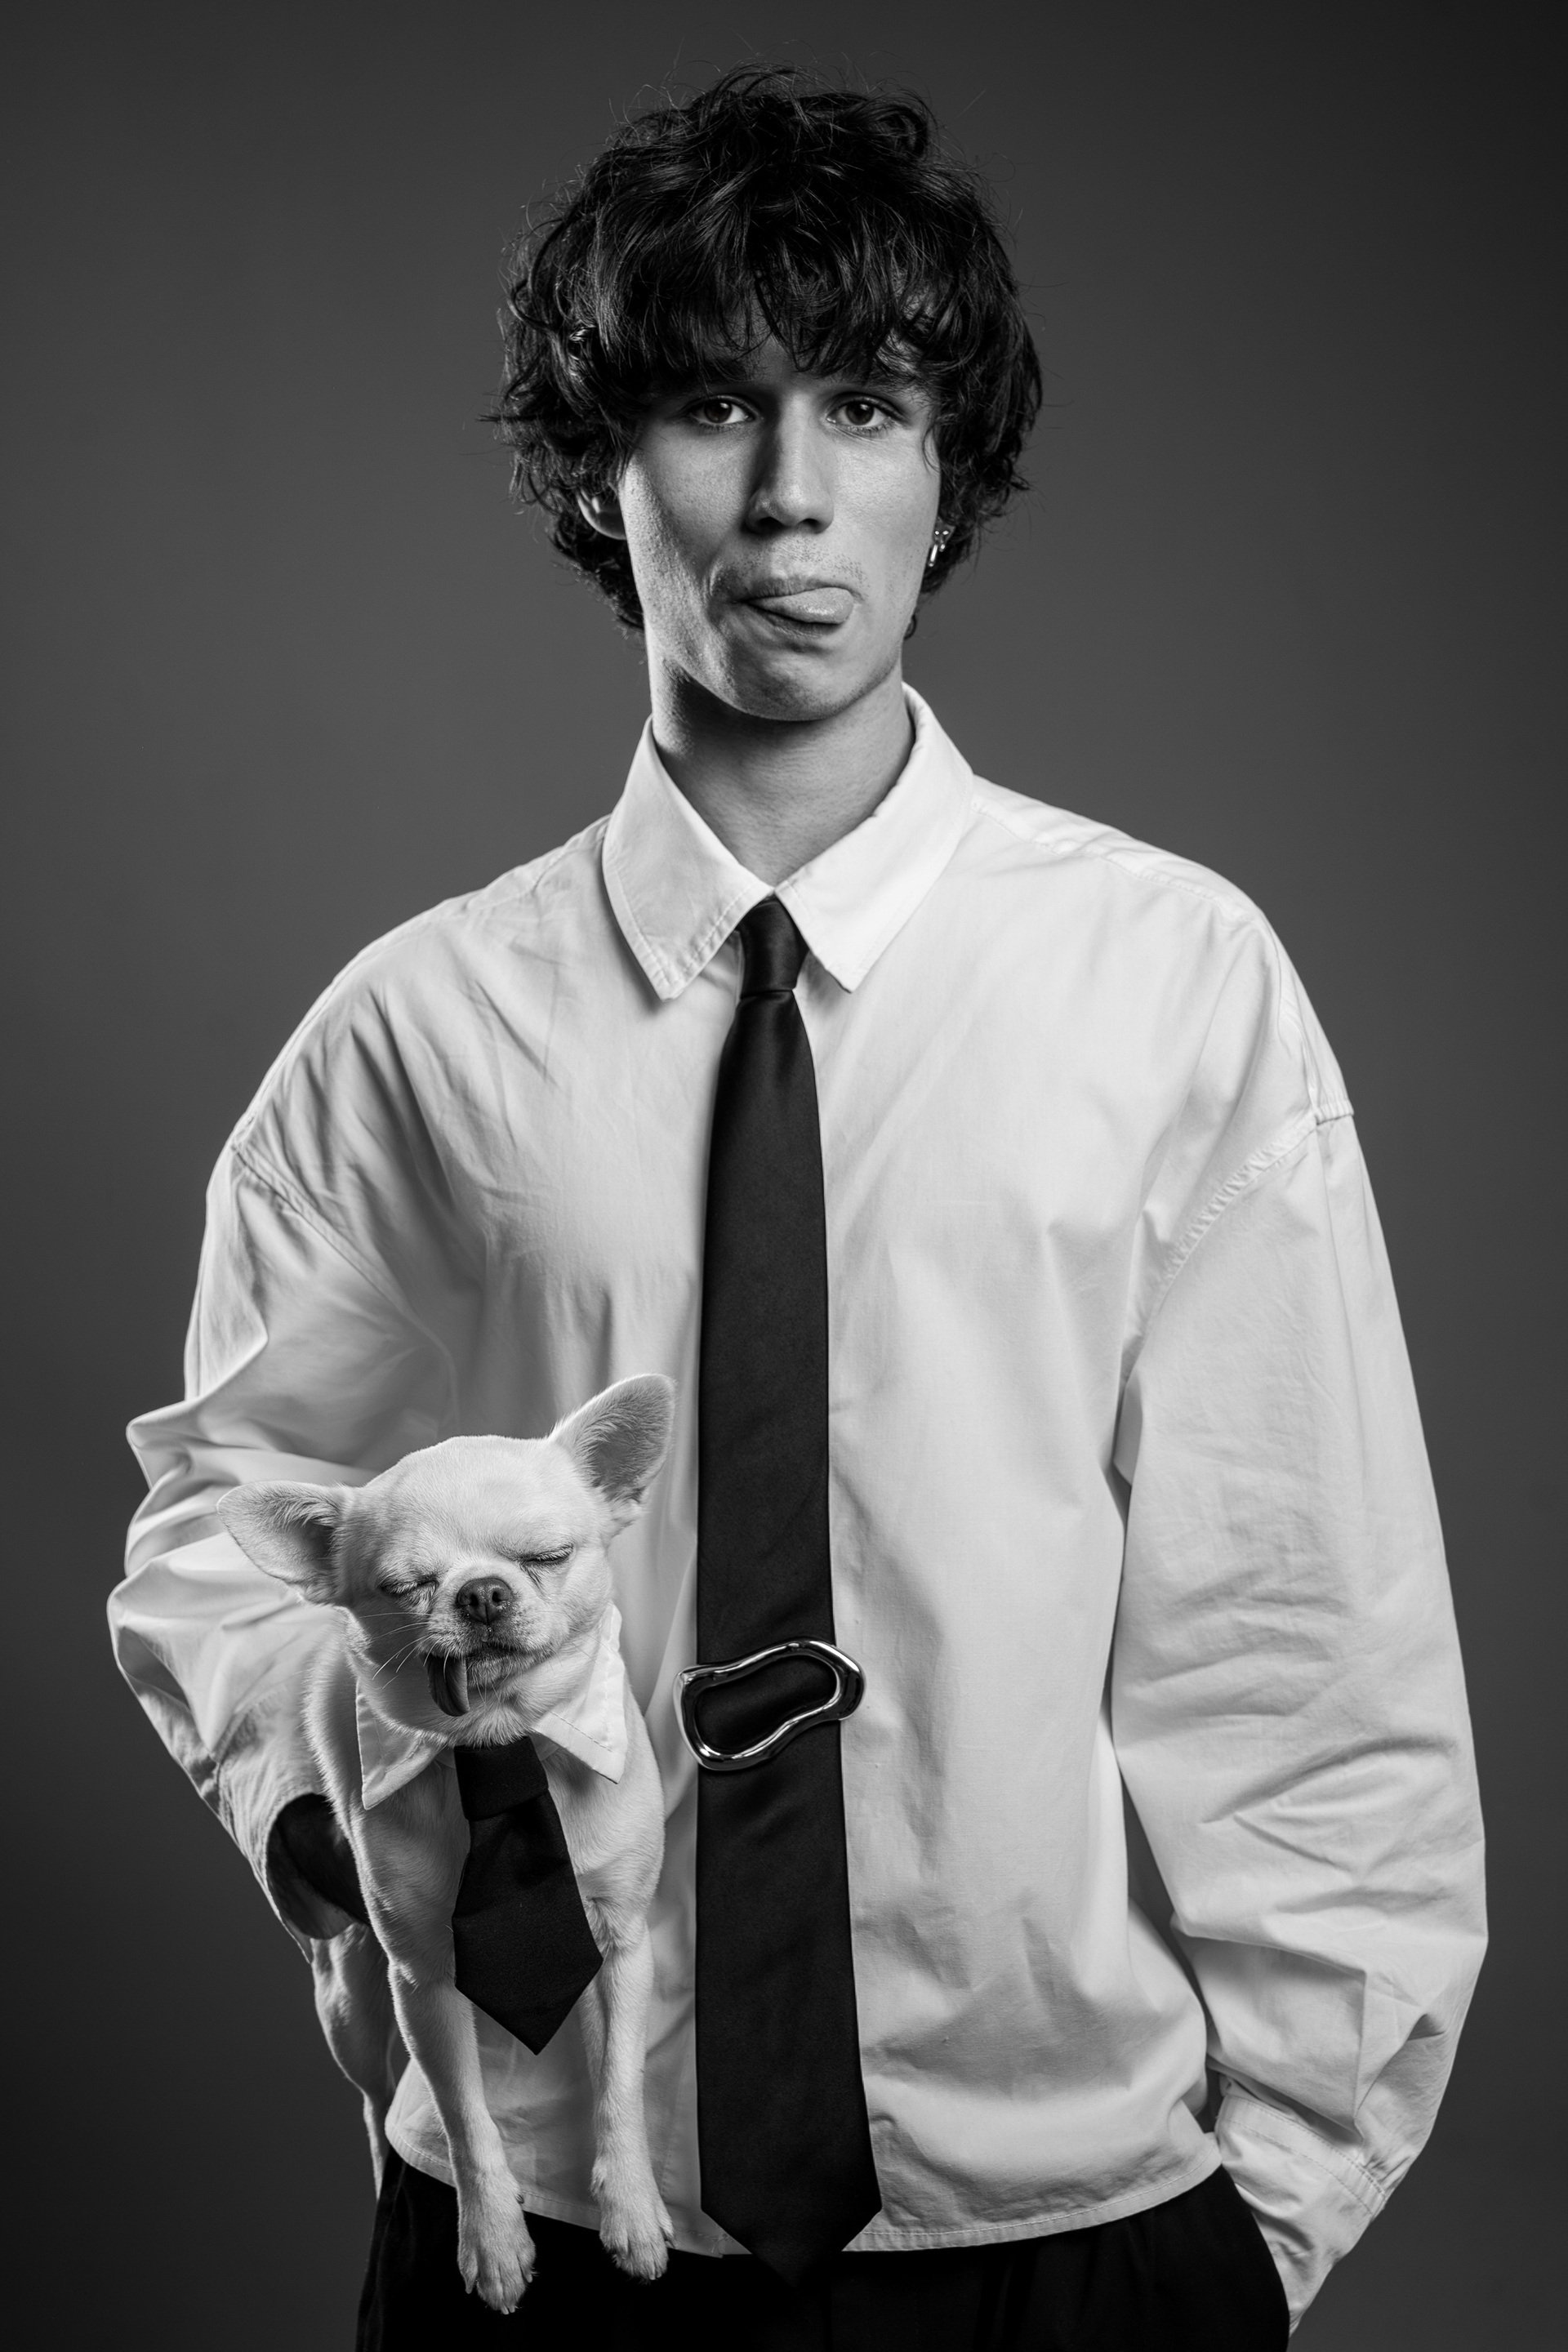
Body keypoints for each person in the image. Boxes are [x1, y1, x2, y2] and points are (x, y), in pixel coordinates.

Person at [109, 66, 1485, 2352]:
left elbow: (1302, 1627)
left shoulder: (1174, 980)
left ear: (950, 468)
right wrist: (338, 1825)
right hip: (543, 2230)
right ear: (601, 470)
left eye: (864, 407)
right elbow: (224, 1527)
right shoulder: (416, 1032)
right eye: (708, 409)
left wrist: (1268, 2223)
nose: (788, 494)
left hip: (1069, 2234)